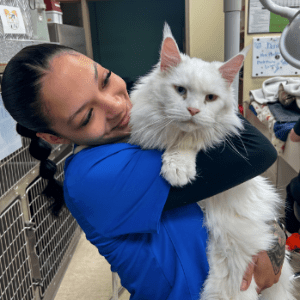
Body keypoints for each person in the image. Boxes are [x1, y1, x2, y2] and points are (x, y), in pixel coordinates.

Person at [1, 43, 286, 299]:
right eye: (87, 116)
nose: (116, 106)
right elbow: (255, 150)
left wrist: (272, 242)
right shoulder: (93, 177)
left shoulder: (131, 127)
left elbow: (239, 186)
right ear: (54, 138)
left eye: (105, 79)